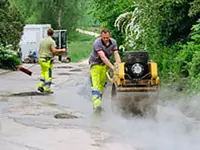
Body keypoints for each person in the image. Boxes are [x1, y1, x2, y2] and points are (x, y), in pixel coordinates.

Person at [89, 29, 121, 111]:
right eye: (104, 37)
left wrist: (119, 66)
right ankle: (96, 104)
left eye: (107, 37)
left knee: (102, 85)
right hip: (95, 64)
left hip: (104, 66)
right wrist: (113, 68)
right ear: (101, 36)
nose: (106, 39)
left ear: (110, 36)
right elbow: (102, 57)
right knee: (96, 84)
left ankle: (99, 101)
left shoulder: (113, 42)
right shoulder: (97, 43)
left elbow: (116, 54)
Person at [37, 28, 66, 94]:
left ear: (47, 33)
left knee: (43, 73)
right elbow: (54, 51)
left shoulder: (42, 40)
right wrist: (62, 50)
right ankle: (47, 89)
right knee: (48, 74)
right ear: (52, 34)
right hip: (47, 60)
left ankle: (40, 86)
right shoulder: (51, 41)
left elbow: (39, 50)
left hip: (41, 59)